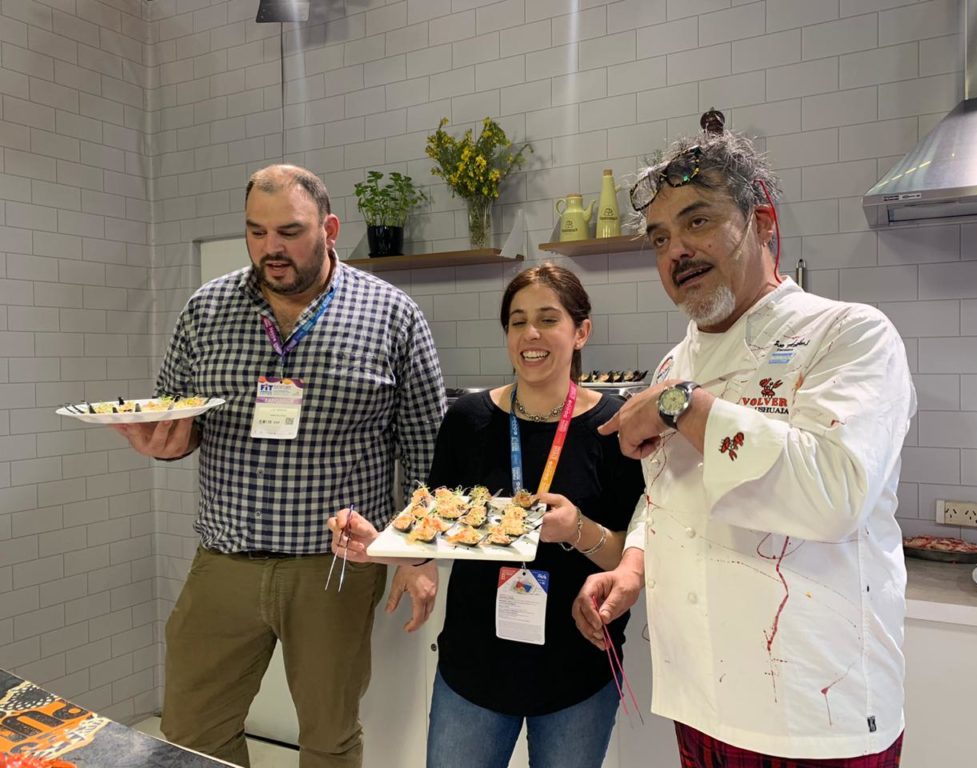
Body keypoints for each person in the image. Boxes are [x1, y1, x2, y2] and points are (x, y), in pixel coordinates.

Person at [574, 125, 916, 767]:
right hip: (703, 701)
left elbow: (835, 492)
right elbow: (665, 494)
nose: (676, 251)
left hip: (814, 712)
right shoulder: (678, 359)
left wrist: (682, 405)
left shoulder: (848, 334)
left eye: (698, 221)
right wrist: (632, 567)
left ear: (762, 221)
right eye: (659, 239)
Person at [114, 164, 445, 768]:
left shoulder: (393, 314)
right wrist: (167, 443)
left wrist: (420, 556)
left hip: (335, 568)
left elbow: (425, 446)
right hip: (223, 561)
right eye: (256, 231)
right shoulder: (206, 309)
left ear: (330, 228)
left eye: (290, 231)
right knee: (190, 729)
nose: (272, 248)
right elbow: (177, 418)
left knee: (329, 736)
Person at [330, 264, 645, 768]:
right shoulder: (468, 420)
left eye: (548, 318)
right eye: (517, 322)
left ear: (581, 331)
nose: (531, 334)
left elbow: (633, 551)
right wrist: (385, 545)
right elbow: (434, 521)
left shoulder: (613, 426)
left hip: (578, 664)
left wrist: (577, 530)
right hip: (476, 663)